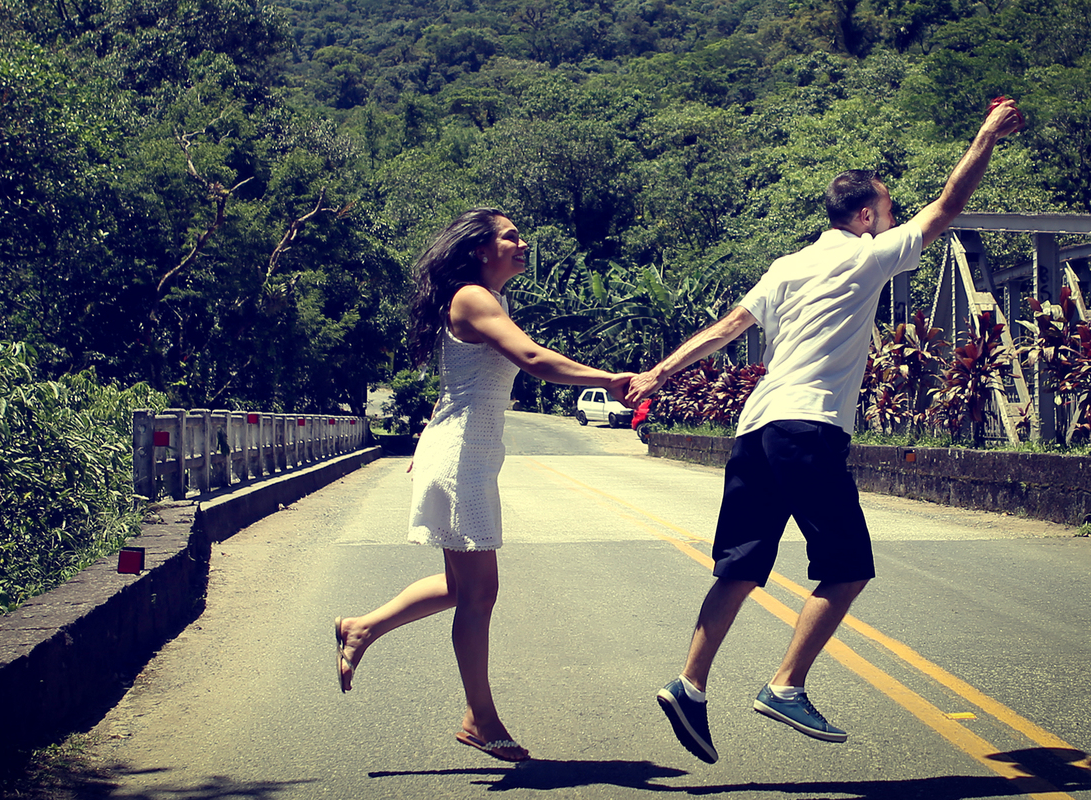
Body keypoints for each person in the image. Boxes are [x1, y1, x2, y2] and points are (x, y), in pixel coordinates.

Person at [625, 99, 1026, 763]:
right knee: (847, 567)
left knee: (741, 566)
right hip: (808, 428)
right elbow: (948, 206)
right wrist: (985, 136)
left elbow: (726, 329)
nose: (894, 220)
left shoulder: (786, 266)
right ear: (865, 216)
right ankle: (785, 684)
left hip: (756, 429)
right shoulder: (868, 256)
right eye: (888, 210)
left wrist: (656, 374)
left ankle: (689, 685)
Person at [334, 208, 633, 763]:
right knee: (477, 593)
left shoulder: (488, 300)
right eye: (510, 236)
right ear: (480, 249)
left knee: (462, 588)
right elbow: (532, 358)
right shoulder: (473, 296)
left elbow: (457, 383)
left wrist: (429, 440)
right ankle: (480, 718)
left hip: (464, 454)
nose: (523, 243)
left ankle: (362, 627)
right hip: (462, 460)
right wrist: (610, 379)